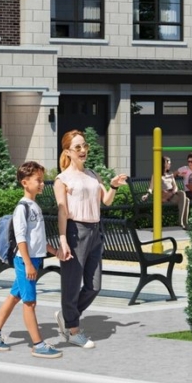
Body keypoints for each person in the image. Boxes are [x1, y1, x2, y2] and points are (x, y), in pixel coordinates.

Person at [53, 130, 129, 349]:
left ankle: (69, 315)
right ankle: (73, 330)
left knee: (94, 285)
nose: (83, 150)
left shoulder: (93, 174)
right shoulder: (62, 179)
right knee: (72, 284)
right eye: (78, 147)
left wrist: (113, 185)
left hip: (95, 231)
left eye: (84, 145)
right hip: (75, 231)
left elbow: (106, 201)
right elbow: (62, 212)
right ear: (68, 151)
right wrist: (63, 239)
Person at [0, 161, 63, 358]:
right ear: (25, 182)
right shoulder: (22, 208)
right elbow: (21, 238)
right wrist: (28, 263)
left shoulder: (34, 206)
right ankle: (38, 345)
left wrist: (55, 251)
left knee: (15, 296)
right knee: (29, 303)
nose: (42, 183)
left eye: (42, 180)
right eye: (38, 180)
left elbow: (38, 239)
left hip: (34, 260)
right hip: (25, 261)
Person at [142, 155, 191, 228]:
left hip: (171, 195)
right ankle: (183, 223)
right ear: (164, 163)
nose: (170, 164)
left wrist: (173, 192)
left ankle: (183, 222)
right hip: (163, 196)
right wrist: (147, 194)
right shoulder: (156, 174)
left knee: (184, 195)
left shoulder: (170, 174)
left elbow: (175, 186)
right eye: (169, 163)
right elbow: (151, 187)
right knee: (186, 200)